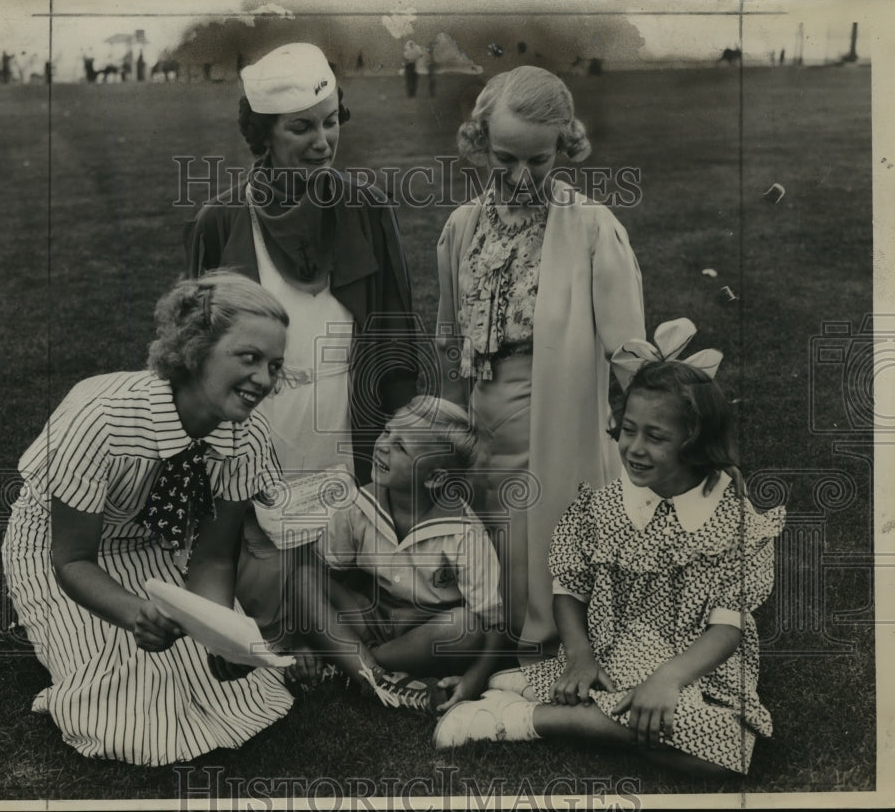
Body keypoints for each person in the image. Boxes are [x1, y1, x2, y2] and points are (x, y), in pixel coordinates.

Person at [434, 322, 784, 776]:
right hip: (613, 650)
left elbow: (727, 625)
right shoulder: (604, 508)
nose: (634, 448)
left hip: (695, 663)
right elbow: (569, 586)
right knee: (716, 744)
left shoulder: (732, 521)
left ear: (696, 443)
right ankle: (525, 719)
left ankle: (550, 704)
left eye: (655, 437)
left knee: (732, 749)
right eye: (628, 431)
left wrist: (669, 678)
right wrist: (580, 655)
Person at [2, 272, 298, 766]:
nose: (264, 380)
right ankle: (60, 635)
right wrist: (132, 612)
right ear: (196, 347)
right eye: (248, 358)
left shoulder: (245, 437)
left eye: (274, 365)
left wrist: (218, 632)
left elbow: (211, 558)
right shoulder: (101, 415)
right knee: (128, 718)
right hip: (59, 549)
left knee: (244, 693)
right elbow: (71, 557)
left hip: (155, 545)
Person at [184, 42, 417, 651]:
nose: (323, 141)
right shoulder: (221, 218)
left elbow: (395, 332)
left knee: (359, 581)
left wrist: (407, 436)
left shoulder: (367, 209)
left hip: (347, 431)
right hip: (260, 435)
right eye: (301, 128)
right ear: (262, 136)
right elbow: (195, 352)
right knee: (266, 596)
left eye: (332, 121)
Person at [435, 65, 646, 658]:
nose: (521, 178)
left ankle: (549, 637)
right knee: (485, 560)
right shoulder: (461, 227)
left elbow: (630, 355)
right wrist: (449, 432)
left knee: (551, 560)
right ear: (479, 143)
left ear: (564, 146)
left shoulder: (593, 229)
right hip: (480, 432)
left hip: (557, 427)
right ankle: (492, 638)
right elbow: (450, 338)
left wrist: (668, 433)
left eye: (539, 160)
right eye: (505, 159)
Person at [294, 396, 504, 713]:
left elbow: (494, 625)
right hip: (370, 617)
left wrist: (475, 679)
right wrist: (305, 639)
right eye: (387, 431)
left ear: (433, 478)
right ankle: (374, 672)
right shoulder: (357, 505)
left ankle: (355, 663)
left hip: (424, 634)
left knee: (465, 627)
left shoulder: (465, 534)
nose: (382, 445)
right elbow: (327, 577)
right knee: (303, 578)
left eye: (401, 447)